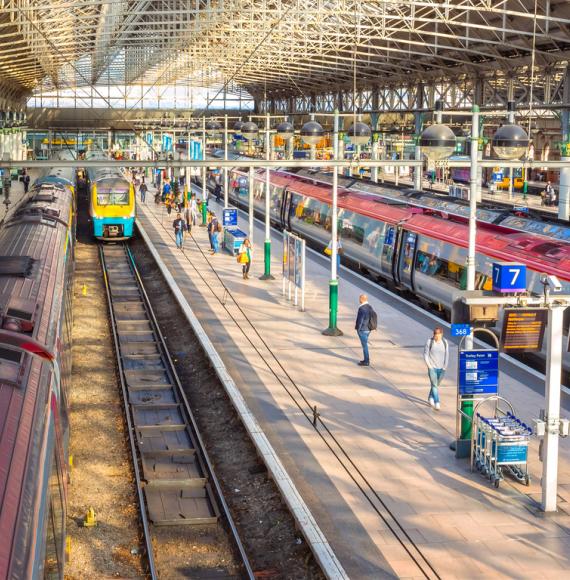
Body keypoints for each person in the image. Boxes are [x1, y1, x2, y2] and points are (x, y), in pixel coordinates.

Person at [423, 327, 449, 411]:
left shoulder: (445, 342)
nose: (436, 337)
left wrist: (445, 367)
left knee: (436, 385)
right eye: (435, 335)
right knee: (434, 385)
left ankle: (430, 397)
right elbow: (426, 354)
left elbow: (447, 355)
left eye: (438, 335)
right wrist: (429, 366)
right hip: (432, 368)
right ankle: (437, 402)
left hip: (442, 368)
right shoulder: (429, 342)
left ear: (441, 335)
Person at [354, 294, 377, 366]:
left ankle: (366, 361)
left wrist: (358, 328)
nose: (359, 300)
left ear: (361, 299)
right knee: (365, 344)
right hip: (368, 329)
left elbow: (360, 320)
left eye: (359, 298)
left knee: (365, 346)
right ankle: (365, 359)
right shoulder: (370, 307)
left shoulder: (361, 308)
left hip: (363, 329)